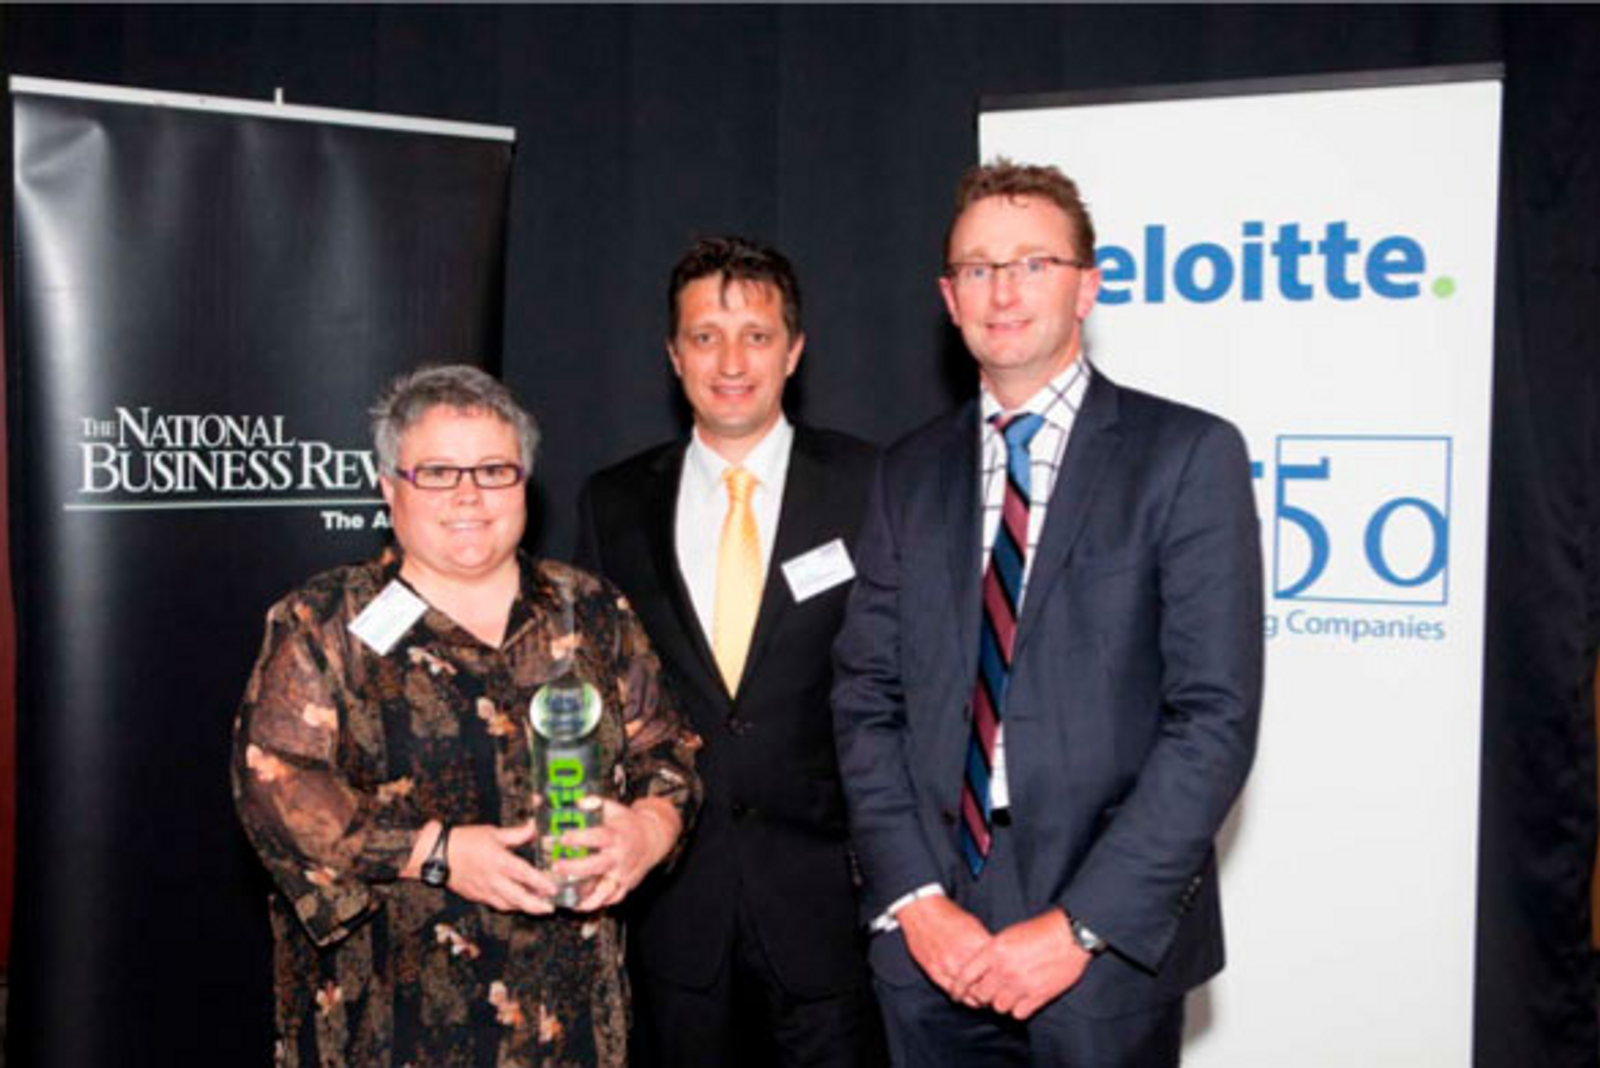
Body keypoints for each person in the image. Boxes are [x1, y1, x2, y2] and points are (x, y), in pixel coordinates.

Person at [831, 160, 1263, 1067]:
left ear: (1087, 287)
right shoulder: (906, 473)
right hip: (931, 942)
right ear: (948, 298)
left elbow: (1212, 720)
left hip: (1104, 953)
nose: (1003, 291)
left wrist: (1079, 927)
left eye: (1033, 263)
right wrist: (916, 900)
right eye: (977, 268)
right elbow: (866, 699)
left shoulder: (1187, 456)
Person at [233, 364, 701, 1068]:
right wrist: (437, 853)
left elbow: (670, 752)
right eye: (437, 473)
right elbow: (276, 786)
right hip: (389, 1023)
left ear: (525, 483)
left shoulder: (591, 609)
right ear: (389, 487)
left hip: (569, 1021)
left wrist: (649, 830)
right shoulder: (324, 623)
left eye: (493, 470)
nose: (468, 495)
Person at [576, 236, 886, 1067]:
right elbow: (594, 697)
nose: (732, 361)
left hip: (832, 914)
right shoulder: (613, 503)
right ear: (674, 355)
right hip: (675, 916)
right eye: (706, 336)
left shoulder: (874, 484)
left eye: (756, 335)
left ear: (794, 350)